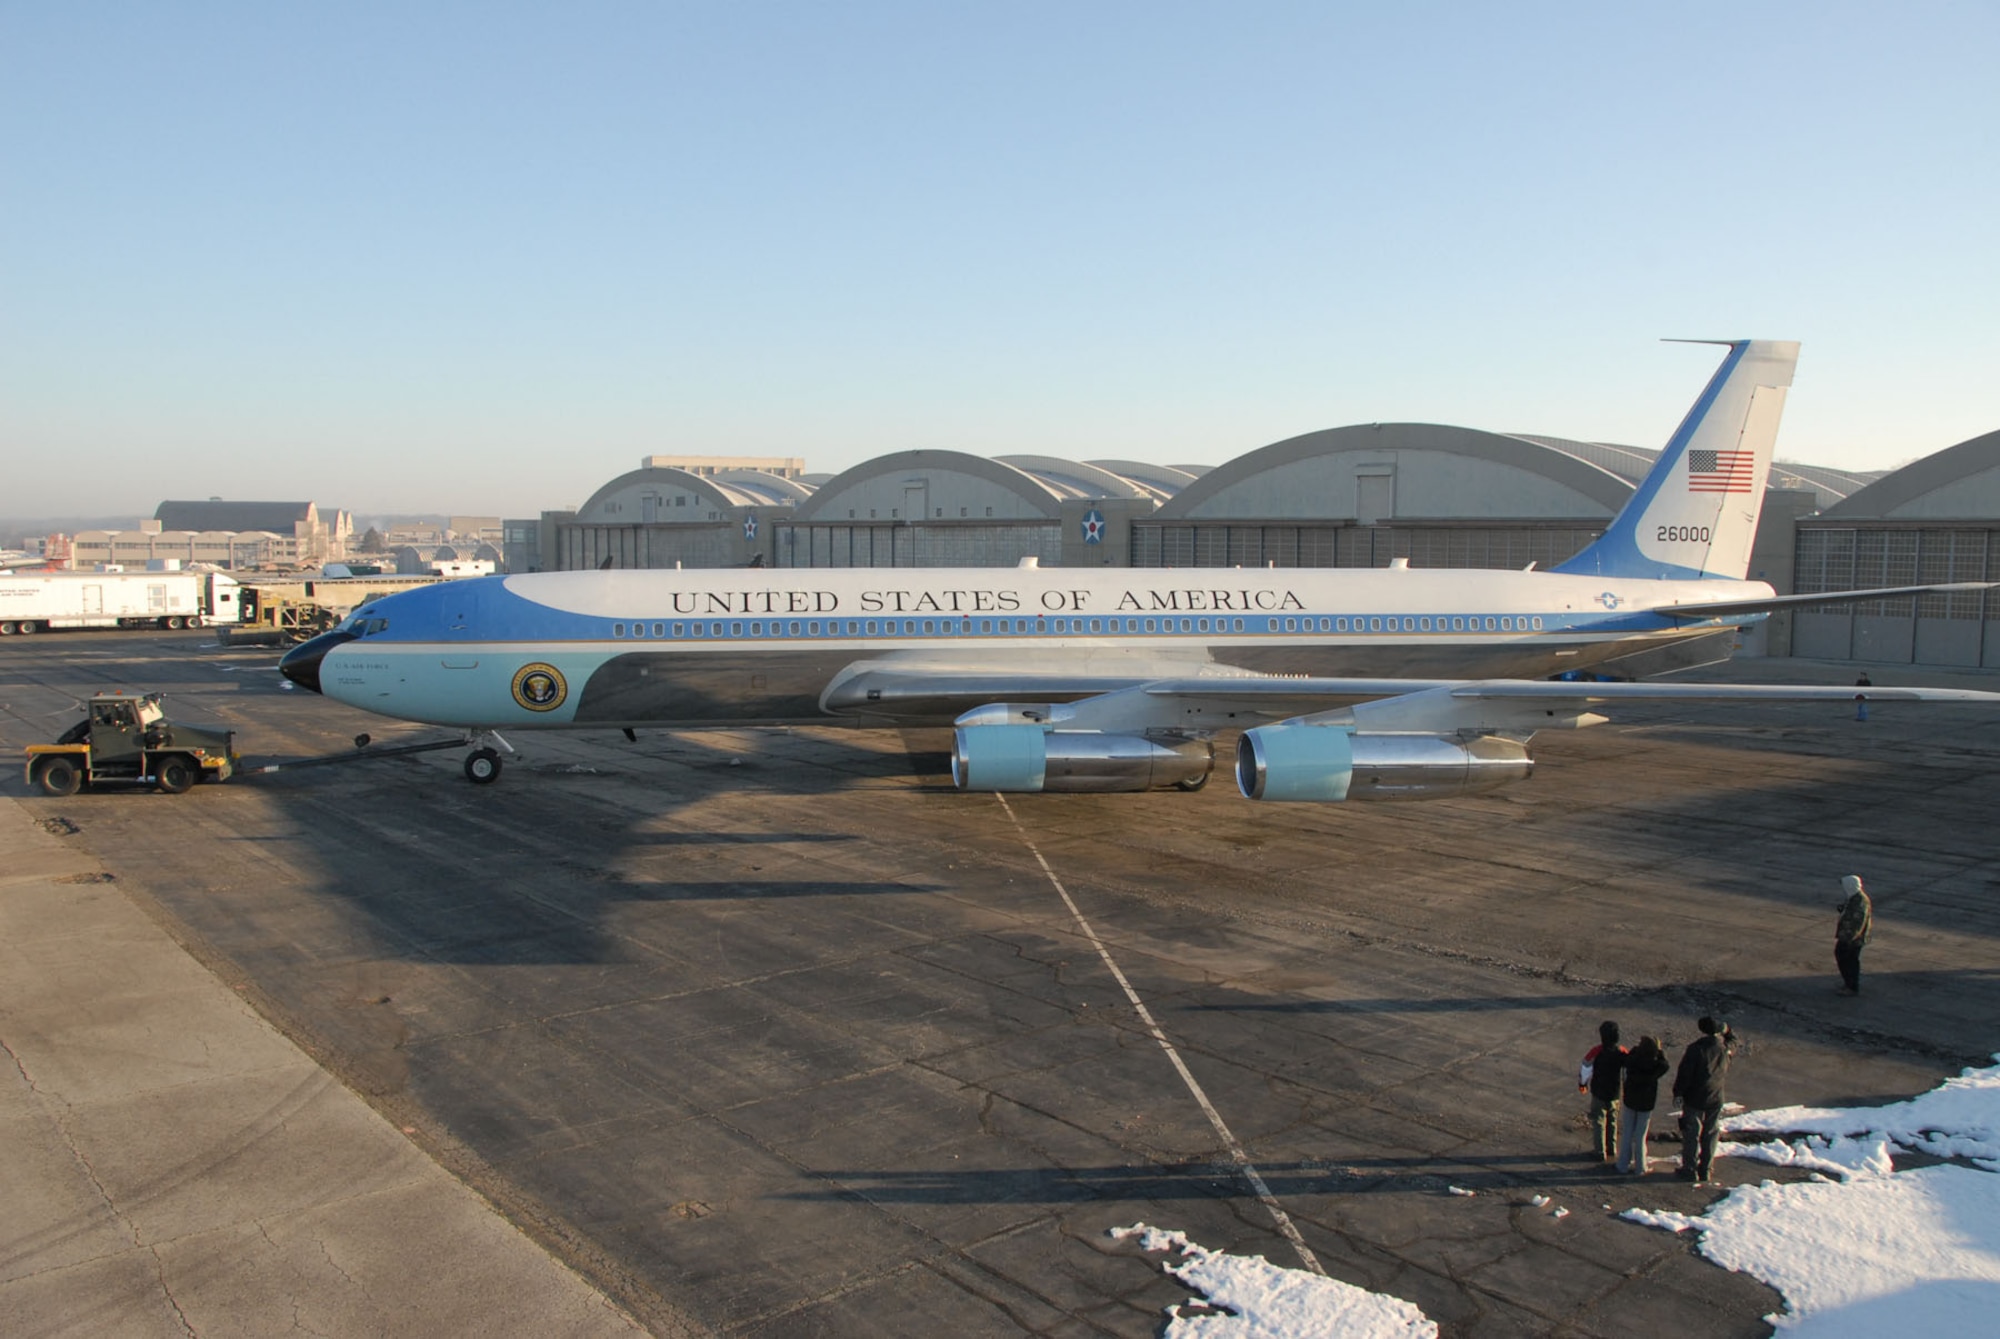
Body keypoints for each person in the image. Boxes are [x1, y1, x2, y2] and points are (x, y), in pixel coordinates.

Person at [1672, 1017, 1736, 1184]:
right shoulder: (1724, 1048)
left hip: (1695, 1097)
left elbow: (1685, 1074)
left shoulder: (1696, 1049)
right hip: (1716, 1096)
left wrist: (1678, 1093)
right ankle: (1706, 1169)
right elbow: (1733, 1042)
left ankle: (1690, 1169)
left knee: (1692, 1133)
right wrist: (1727, 1031)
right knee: (1711, 1133)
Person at [1616, 1036, 1670, 1175]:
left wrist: (1635, 1050)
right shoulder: (1655, 1065)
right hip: (1646, 1104)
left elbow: (1626, 1059)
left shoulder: (1633, 1060)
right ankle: (1640, 1167)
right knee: (1640, 1136)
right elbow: (1665, 1065)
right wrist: (1660, 1052)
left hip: (1630, 1100)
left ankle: (1622, 1165)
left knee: (1627, 1133)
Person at [1580, 1020, 1626, 1164]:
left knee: (1599, 1121)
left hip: (1599, 1091)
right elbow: (1627, 1071)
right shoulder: (1622, 1052)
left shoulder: (1596, 1051)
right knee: (1612, 1121)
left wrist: (1582, 1084)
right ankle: (1611, 1148)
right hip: (1614, 1092)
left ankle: (1599, 1151)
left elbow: (1585, 1067)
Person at [1836, 874, 1873, 995]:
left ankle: (1851, 987)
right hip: (1848, 936)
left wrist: (1849, 939)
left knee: (1850, 961)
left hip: (1852, 939)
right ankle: (1849, 984)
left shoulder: (1860, 902)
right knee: (1846, 959)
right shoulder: (1854, 897)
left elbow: (1858, 923)